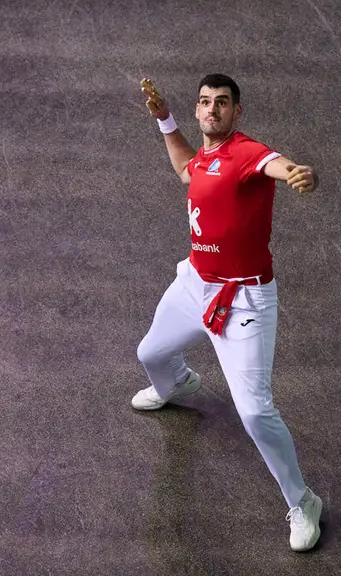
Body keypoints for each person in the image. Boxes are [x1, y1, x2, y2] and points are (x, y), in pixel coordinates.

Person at [131, 73, 324, 552]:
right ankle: (177, 382)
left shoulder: (245, 153)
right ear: (197, 111)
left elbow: (279, 167)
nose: (212, 109)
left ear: (236, 112)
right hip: (195, 283)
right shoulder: (207, 158)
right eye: (204, 103)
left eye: (221, 103)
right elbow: (184, 172)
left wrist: (301, 173)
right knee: (150, 353)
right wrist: (164, 120)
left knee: (256, 412)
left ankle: (303, 502)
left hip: (245, 300)